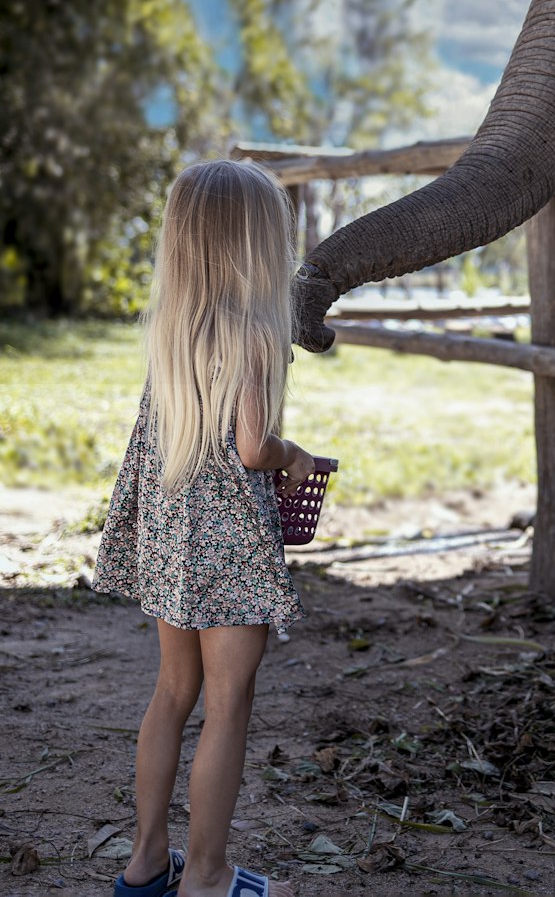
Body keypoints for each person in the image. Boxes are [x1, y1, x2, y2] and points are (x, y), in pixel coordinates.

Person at [94, 159, 321, 897]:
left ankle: (147, 863)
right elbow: (254, 449)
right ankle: (210, 878)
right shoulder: (255, 336)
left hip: (171, 545)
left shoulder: (169, 333)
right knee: (228, 708)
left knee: (171, 693)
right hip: (227, 553)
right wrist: (295, 457)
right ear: (256, 248)